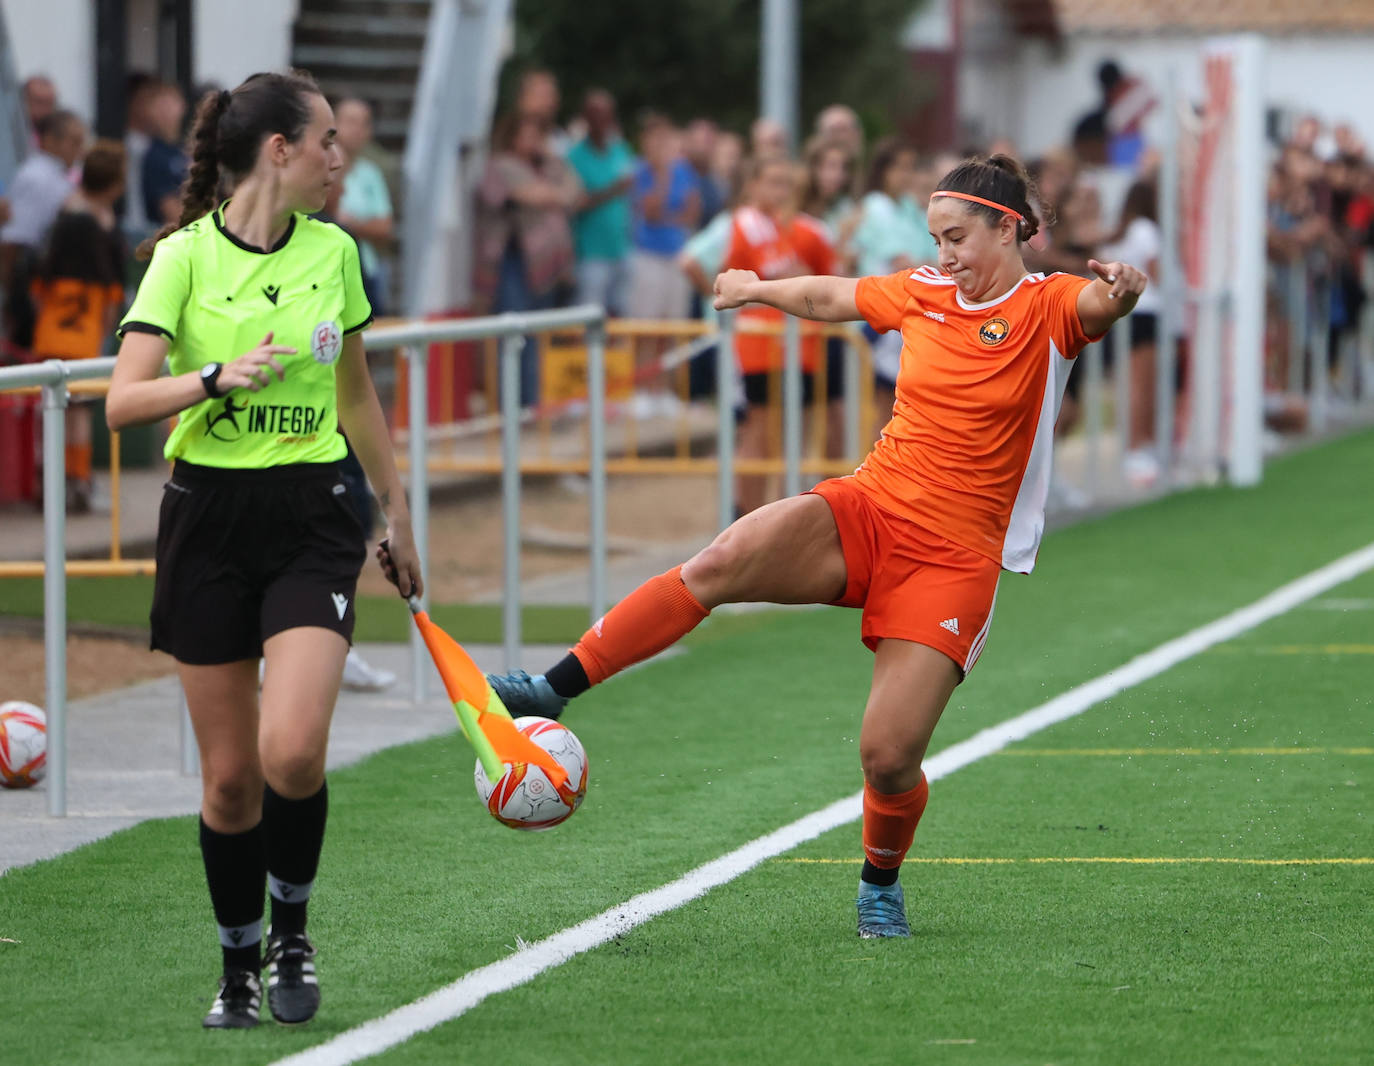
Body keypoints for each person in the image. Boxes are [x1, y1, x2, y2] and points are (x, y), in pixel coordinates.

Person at [487, 154, 1145, 939]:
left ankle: (879, 884)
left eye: (959, 238)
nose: (945, 257)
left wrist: (1123, 290)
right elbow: (832, 295)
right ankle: (554, 686)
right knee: (721, 561)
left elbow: (1102, 306)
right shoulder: (923, 292)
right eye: (937, 240)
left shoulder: (1052, 306)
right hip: (870, 507)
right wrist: (756, 289)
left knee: (887, 756)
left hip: (954, 558)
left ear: (1010, 229)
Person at [105, 70, 423, 1029]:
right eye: (326, 140)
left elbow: (358, 392)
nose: (341, 157)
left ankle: (292, 930)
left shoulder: (335, 253)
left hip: (314, 516)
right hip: (206, 521)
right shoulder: (181, 260)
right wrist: (211, 378)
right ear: (277, 150)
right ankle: (237, 963)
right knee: (231, 779)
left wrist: (396, 514)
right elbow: (122, 401)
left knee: (292, 752)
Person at [722, 153, 835, 514]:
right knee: (760, 430)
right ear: (752, 186)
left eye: (786, 183)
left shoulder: (809, 230)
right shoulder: (744, 224)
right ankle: (747, 518)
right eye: (773, 182)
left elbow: (834, 277)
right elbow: (710, 269)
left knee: (795, 437)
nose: (781, 190)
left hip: (802, 345)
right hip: (759, 345)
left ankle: (782, 522)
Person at [30, 139, 128, 512]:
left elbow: (40, 279)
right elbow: (113, 290)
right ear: (114, 184)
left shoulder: (64, 217)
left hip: (53, 328)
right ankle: (79, 480)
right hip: (86, 330)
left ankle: (50, 480)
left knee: (51, 410)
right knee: (80, 413)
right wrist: (106, 329)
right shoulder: (102, 227)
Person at [473, 113, 581, 406]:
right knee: (512, 336)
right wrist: (550, 194)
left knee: (536, 336)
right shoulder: (498, 166)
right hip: (512, 263)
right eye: (527, 135)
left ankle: (531, 404)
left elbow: (573, 191)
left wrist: (551, 170)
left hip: (544, 269)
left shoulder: (550, 166)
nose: (533, 142)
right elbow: (524, 195)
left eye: (538, 135)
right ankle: (510, 404)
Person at [0, 110, 87, 348]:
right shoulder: (38, 178)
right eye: (74, 142)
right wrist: (12, 297)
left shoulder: (55, 176)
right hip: (29, 286)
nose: (80, 150)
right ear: (50, 140)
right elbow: (14, 241)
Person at [565, 89, 636, 317]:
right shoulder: (574, 157)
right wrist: (614, 189)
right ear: (586, 118)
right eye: (596, 115)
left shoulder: (620, 150)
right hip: (591, 255)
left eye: (607, 114)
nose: (602, 121)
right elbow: (577, 202)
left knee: (620, 320)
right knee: (590, 318)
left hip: (622, 250)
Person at [334, 98, 395, 314]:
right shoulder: (319, 168)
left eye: (365, 123)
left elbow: (385, 227)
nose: (358, 130)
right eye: (351, 121)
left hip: (366, 268)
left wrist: (348, 224)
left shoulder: (371, 173)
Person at [141, 82, 189, 228]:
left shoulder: (188, 149)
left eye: (170, 103)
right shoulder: (154, 156)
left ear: (183, 106)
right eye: (160, 105)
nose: (166, 111)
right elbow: (171, 213)